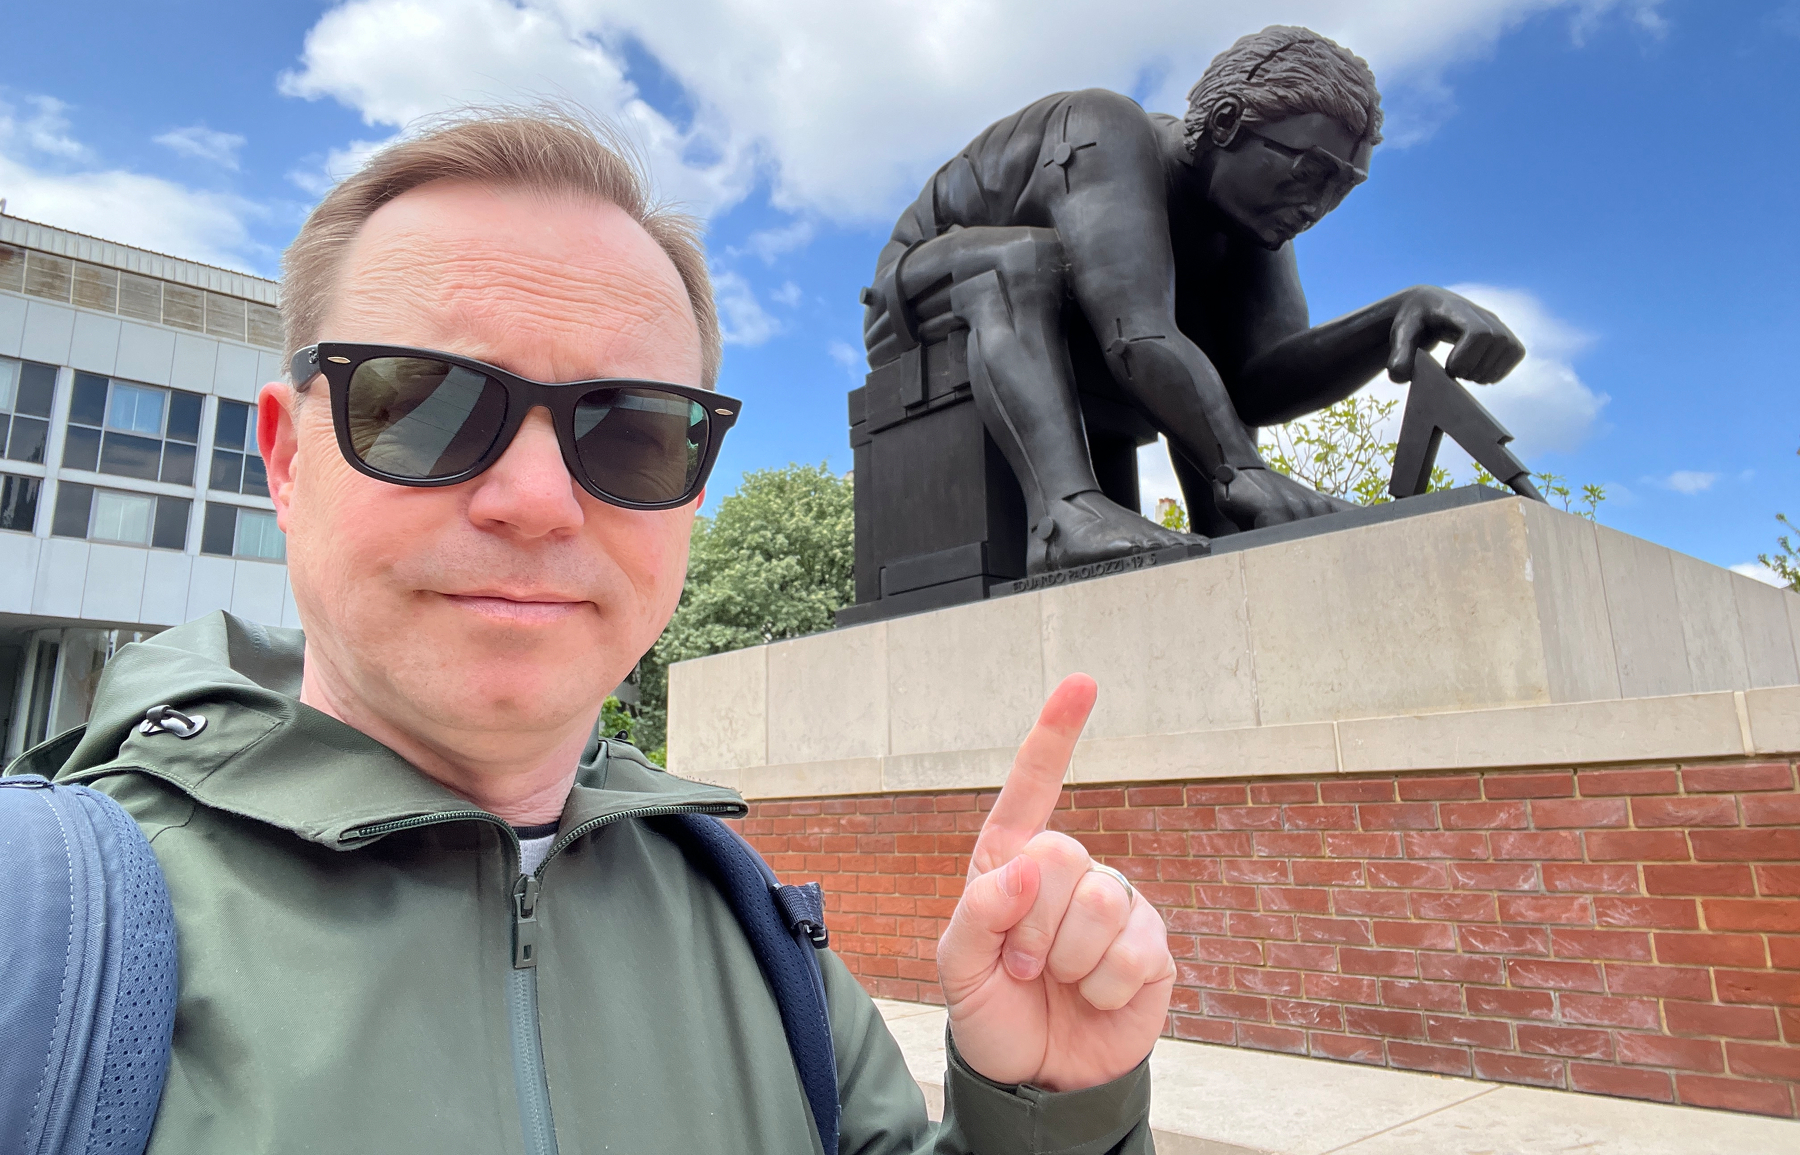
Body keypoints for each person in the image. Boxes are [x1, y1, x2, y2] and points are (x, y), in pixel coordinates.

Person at [20, 109, 1174, 1153]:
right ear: (284, 455)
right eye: (424, 405)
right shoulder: (41, 927)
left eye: (628, 431)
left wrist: (1047, 1118)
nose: (536, 499)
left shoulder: (756, 937)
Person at [861, 26, 1525, 567]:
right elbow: (1136, 333)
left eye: (1341, 187)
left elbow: (1257, 384)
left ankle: (1224, 521)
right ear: (1229, 122)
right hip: (915, 300)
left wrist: (1391, 320)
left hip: (1076, 313)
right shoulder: (1105, 129)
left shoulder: (1254, 224)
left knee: (1180, 331)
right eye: (1309, 172)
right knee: (1021, 260)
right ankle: (1063, 514)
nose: (1318, 207)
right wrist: (1240, 468)